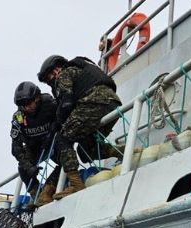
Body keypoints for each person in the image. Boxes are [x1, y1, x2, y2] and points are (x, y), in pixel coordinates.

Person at [37, 55, 122, 200]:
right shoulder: (81, 69)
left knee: (63, 139)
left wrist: (57, 126)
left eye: (51, 73)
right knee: (85, 149)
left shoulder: (65, 73)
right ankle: (123, 151)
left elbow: (66, 103)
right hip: (113, 105)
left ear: (58, 67)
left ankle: (76, 184)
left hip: (93, 103)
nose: (51, 78)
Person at [10, 81, 62, 206]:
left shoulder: (49, 104)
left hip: (53, 141)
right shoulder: (18, 117)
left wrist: (55, 129)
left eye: (28, 103)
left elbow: (63, 117)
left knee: (66, 157)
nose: (27, 107)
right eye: (22, 105)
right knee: (23, 168)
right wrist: (29, 167)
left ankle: (48, 189)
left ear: (37, 98)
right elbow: (15, 147)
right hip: (34, 147)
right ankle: (36, 194)